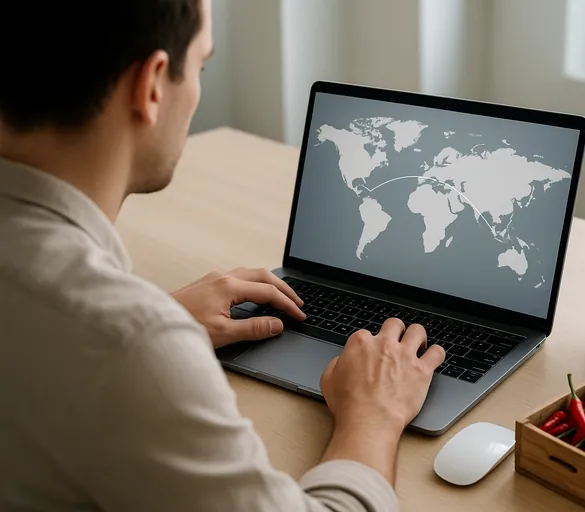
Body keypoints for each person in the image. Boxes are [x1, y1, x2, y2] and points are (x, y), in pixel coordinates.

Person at [0, 1, 446, 510]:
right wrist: (373, 414)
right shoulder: (129, 348)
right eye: (202, 65)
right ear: (152, 85)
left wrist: (157, 319)